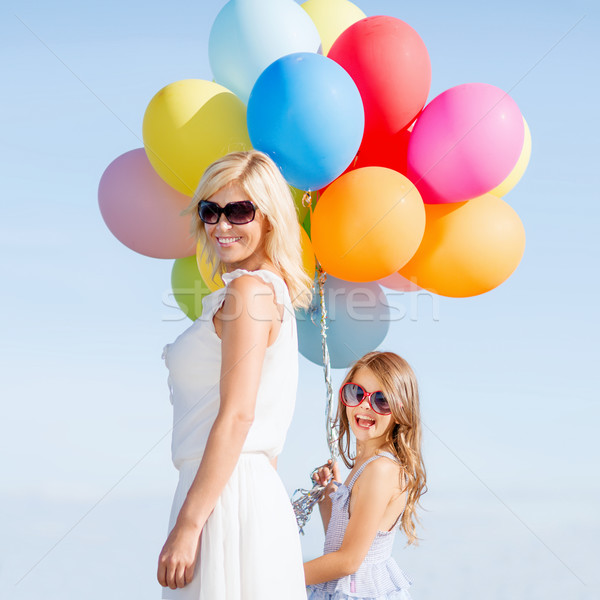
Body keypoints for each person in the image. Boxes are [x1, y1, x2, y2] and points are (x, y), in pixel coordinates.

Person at [158, 150, 313, 599]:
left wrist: (190, 524)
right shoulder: (255, 292)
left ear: (269, 218)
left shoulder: (250, 292)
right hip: (232, 492)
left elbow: (239, 416)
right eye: (211, 211)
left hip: (223, 499)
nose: (222, 226)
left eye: (239, 211)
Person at [304, 351, 427, 600]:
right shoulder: (365, 466)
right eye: (356, 393)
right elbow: (340, 543)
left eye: (381, 400)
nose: (364, 405)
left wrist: (277, 577)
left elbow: (348, 561)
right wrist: (329, 496)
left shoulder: (380, 470)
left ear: (401, 409)